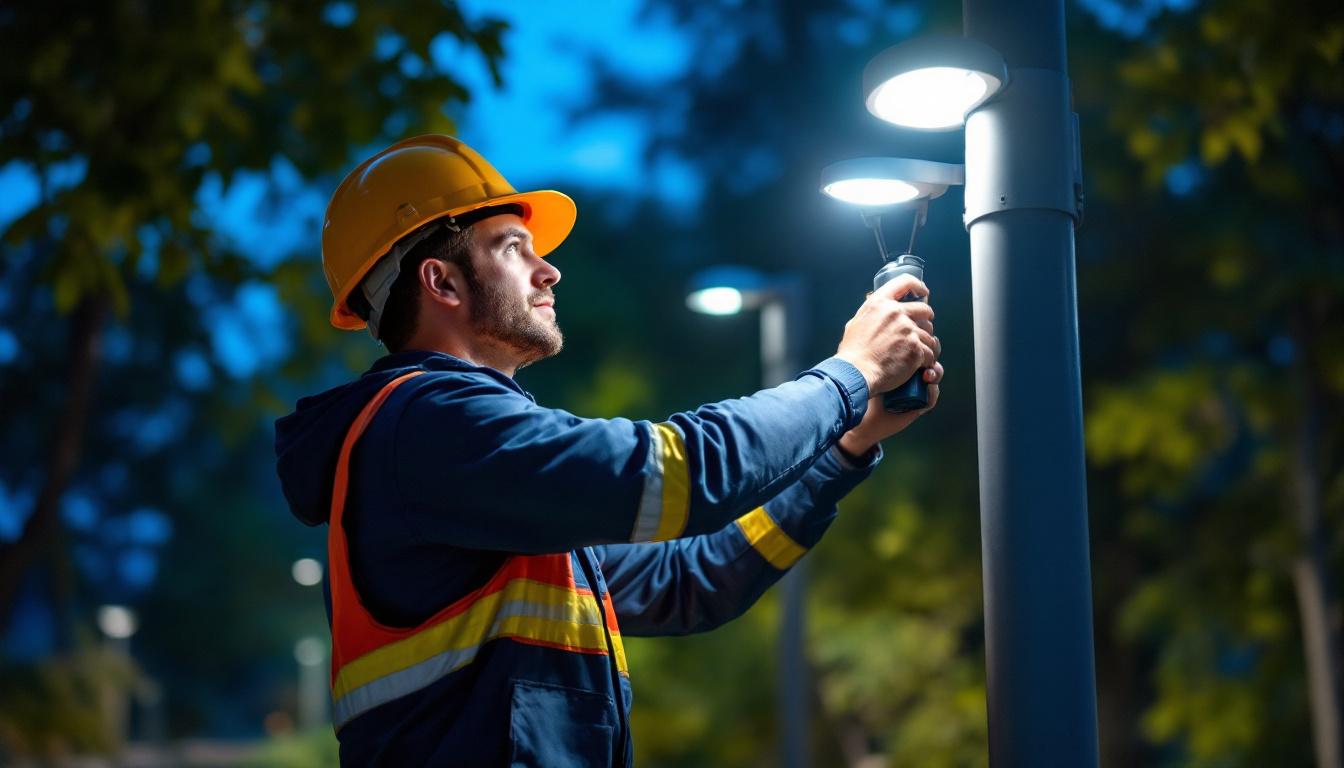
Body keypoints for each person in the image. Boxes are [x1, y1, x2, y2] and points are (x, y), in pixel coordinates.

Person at [274, 135, 943, 766]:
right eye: (514, 248)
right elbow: (683, 472)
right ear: (442, 283)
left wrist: (847, 445)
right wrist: (848, 375)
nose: (549, 269)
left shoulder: (468, 472)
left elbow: (693, 582)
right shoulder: (426, 426)